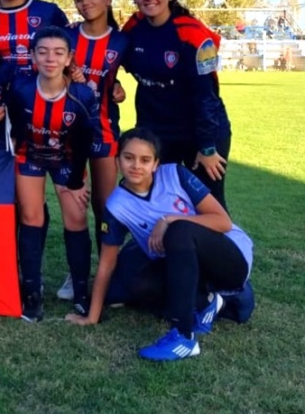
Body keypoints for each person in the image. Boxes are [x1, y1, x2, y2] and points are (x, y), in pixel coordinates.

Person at [66, 128, 253, 362]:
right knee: (137, 285)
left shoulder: (175, 174)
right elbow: (106, 264)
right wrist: (91, 318)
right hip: (186, 266)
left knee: (178, 231)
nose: (136, 165)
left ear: (156, 164)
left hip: (229, 256)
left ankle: (183, 336)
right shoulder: (116, 206)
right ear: (117, 161)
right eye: (128, 158)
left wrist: (169, 219)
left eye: (145, 160)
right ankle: (208, 302)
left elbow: (223, 222)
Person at [7, 26, 102, 322]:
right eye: (43, 52)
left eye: (58, 52)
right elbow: (14, 131)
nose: (50, 58)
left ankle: (82, 293)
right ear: (33, 56)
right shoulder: (20, 89)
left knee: (75, 220)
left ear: (69, 58)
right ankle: (32, 293)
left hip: (68, 160)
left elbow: (86, 141)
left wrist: (75, 181)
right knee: (31, 218)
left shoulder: (82, 95)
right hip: (30, 157)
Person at [122, 0, 231, 207]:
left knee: (209, 204)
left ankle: (227, 246)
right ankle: (166, 246)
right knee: (159, 200)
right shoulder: (133, 28)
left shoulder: (192, 33)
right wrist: (114, 84)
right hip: (157, 132)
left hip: (199, 132)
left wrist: (207, 147)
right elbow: (116, 58)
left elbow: (206, 96)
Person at [57, 0, 129, 302]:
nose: (85, 3)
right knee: (74, 208)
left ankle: (110, 276)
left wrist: (117, 89)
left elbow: (129, 76)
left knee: (104, 206)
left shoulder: (121, 42)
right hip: (67, 130)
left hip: (103, 130)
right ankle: (76, 275)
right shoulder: (68, 35)